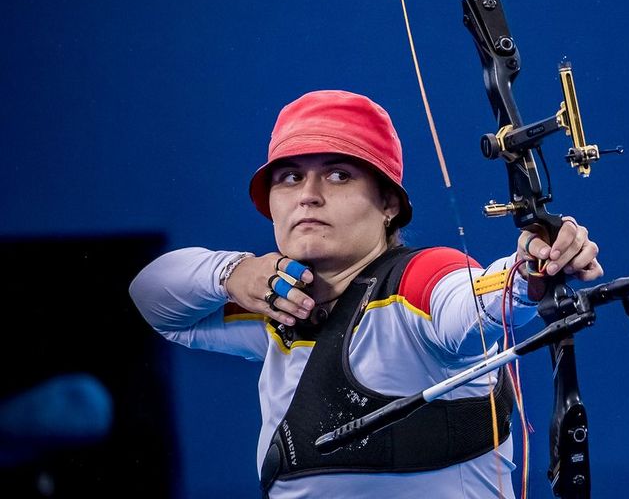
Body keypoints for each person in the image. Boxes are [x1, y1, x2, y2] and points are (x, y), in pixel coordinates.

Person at [129, 90, 602, 498]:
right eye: (289, 177)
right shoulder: (278, 302)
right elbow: (152, 297)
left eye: (338, 175)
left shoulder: (420, 282)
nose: (307, 195)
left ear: (389, 204)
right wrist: (231, 272)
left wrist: (531, 273)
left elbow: (474, 300)